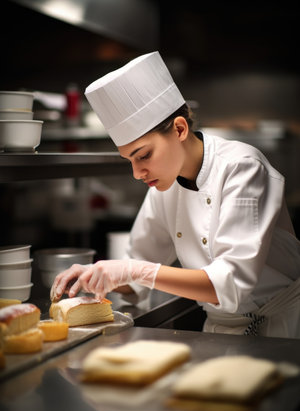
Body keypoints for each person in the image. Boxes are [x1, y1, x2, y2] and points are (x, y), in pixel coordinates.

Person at [51, 51, 300, 338]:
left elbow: (230, 283)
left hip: (283, 328)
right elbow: (138, 271)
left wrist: (134, 270)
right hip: (219, 330)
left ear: (180, 129)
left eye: (143, 155)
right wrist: (99, 274)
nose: (137, 172)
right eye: (129, 160)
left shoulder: (242, 168)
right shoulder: (165, 184)